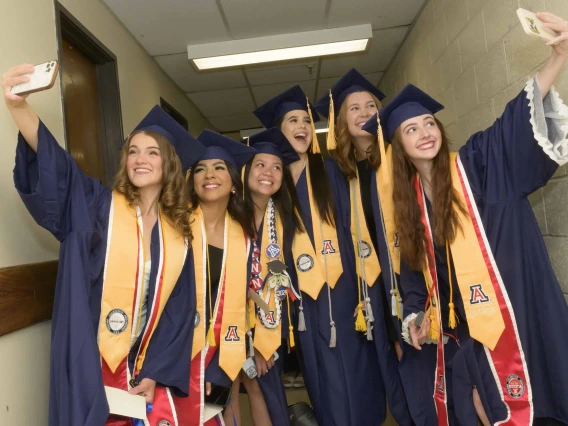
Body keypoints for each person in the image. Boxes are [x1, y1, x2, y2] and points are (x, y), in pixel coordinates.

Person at [363, 11, 568, 425]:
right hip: (465, 331)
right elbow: (417, 280)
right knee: (482, 407)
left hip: (516, 305)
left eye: (429, 123)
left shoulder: (476, 163)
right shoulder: (411, 208)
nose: (425, 132)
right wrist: (417, 318)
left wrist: (557, 58)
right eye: (411, 129)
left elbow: (511, 124)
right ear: (399, 148)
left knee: (531, 404)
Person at [4, 65, 198, 426]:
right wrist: (19, 108)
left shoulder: (179, 236)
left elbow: (178, 311)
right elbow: (61, 173)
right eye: (133, 151)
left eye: (152, 152)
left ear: (169, 163)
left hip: (140, 365)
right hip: (89, 360)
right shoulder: (99, 205)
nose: (140, 159)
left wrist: (156, 372)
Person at [253, 86, 387, 426]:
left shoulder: (332, 171)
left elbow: (356, 229)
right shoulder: (273, 186)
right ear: (278, 131)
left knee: (359, 378)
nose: (302, 126)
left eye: (306, 120)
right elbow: (270, 250)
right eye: (292, 120)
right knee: (322, 380)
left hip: (346, 294)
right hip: (304, 302)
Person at [314, 69, 412, 425]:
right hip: (365, 285)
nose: (364, 112)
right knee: (381, 366)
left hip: (405, 277)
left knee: (413, 363)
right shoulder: (334, 172)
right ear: (341, 119)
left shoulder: (397, 158)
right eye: (353, 108)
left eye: (371, 105)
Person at [169, 130, 256, 426]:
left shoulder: (244, 237)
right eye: (201, 169)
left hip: (221, 350)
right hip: (176, 347)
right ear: (192, 182)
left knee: (217, 415)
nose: (210, 174)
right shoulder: (175, 227)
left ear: (233, 183)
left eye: (220, 167)